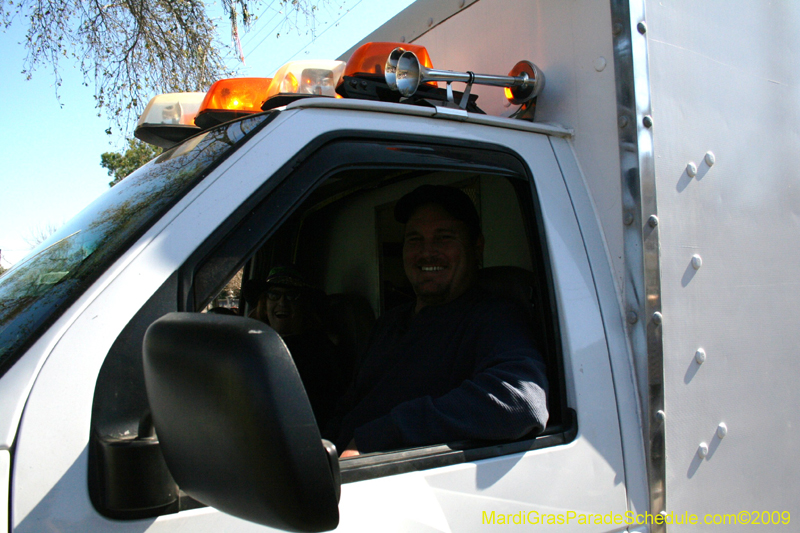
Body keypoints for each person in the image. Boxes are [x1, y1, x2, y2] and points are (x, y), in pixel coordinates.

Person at [332, 185, 549, 457]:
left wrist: (372, 440)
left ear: (476, 247)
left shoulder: (493, 318)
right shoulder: (387, 324)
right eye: (414, 240)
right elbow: (349, 406)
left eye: (444, 238)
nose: (427, 253)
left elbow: (520, 401)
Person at [251, 266, 346, 428]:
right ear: (264, 305)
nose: (282, 302)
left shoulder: (319, 352)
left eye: (291, 295)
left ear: (304, 306)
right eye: (274, 294)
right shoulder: (256, 344)